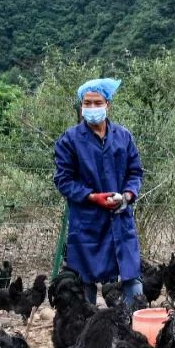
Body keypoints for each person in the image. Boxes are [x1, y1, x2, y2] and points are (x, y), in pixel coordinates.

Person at [53, 78, 144, 310]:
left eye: (97, 102)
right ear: (81, 106)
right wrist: (92, 196)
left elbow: (135, 172)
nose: (92, 108)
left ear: (108, 104)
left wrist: (127, 196)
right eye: (87, 103)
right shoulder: (69, 140)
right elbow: (63, 180)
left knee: (132, 280)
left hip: (120, 218)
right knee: (85, 283)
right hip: (87, 222)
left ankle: (135, 330)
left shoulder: (124, 137)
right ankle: (86, 334)